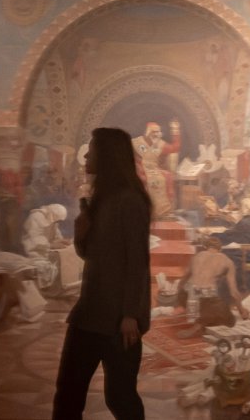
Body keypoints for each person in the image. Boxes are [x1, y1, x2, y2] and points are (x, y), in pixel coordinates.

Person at [53, 127, 152, 420]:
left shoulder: (130, 200)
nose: (86, 155)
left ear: (107, 156)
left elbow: (137, 261)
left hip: (118, 320)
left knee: (120, 398)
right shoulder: (101, 199)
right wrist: (81, 234)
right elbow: (91, 255)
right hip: (90, 312)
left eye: (92, 149)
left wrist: (130, 314)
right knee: (68, 393)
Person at [176, 236, 250, 338]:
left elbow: (183, 280)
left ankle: (199, 316)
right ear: (220, 249)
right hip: (206, 300)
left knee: (205, 300)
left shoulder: (196, 256)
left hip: (186, 296)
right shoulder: (227, 261)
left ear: (206, 247)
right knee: (229, 320)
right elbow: (234, 292)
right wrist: (242, 310)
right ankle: (197, 327)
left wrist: (179, 298)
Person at [131, 120, 181, 218]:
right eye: (154, 132)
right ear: (148, 132)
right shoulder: (136, 142)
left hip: (154, 169)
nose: (156, 134)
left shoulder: (160, 145)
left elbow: (175, 147)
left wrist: (175, 130)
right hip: (139, 168)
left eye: (158, 132)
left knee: (167, 176)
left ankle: (164, 211)